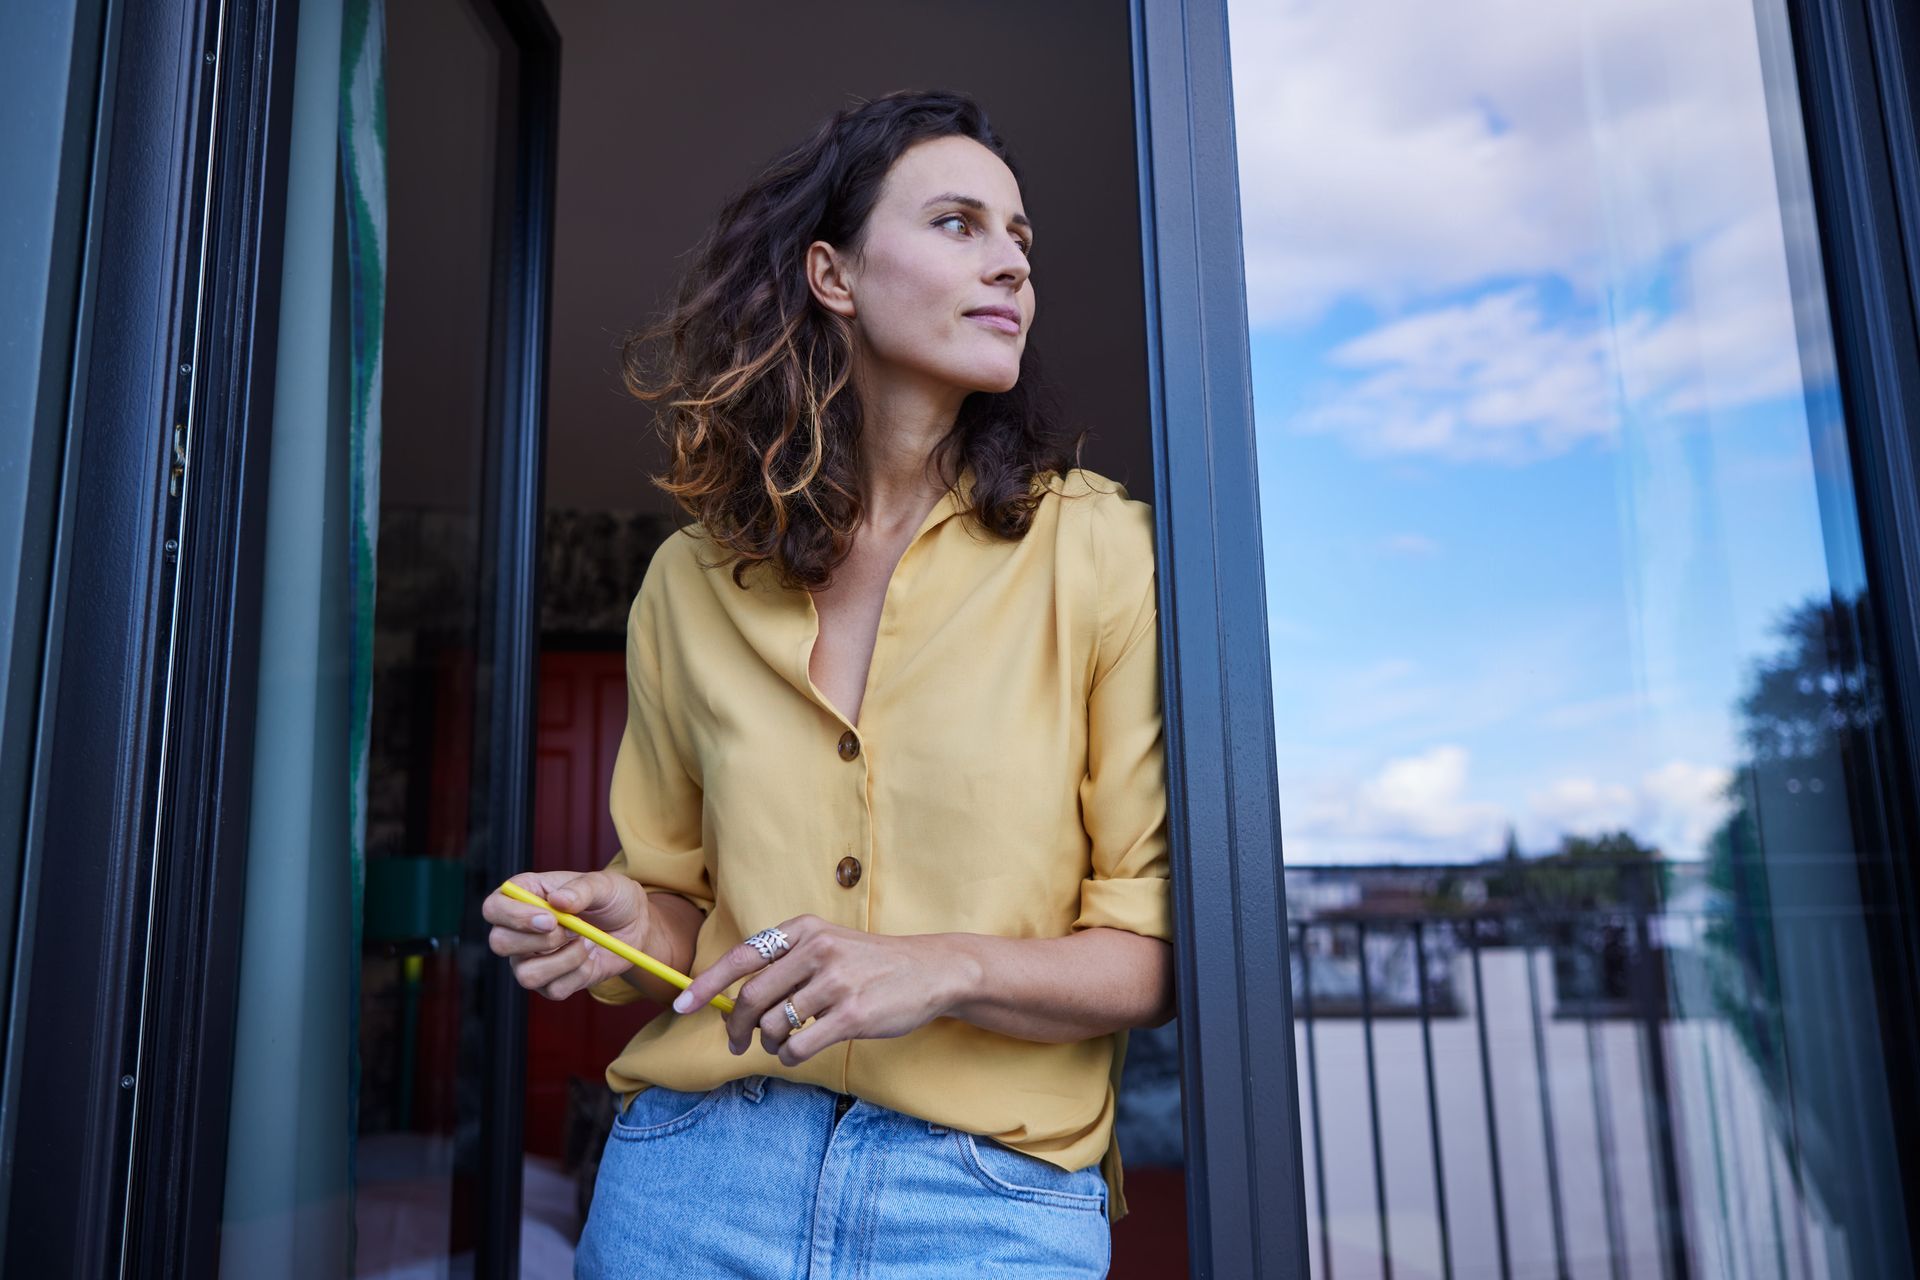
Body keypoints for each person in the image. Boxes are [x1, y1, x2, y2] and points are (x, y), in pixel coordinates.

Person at [483, 87, 1174, 1279]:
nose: (1011, 262)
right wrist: (622, 922)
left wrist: (937, 964)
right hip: (690, 1179)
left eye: (1021, 238)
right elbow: (685, 905)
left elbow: (1154, 952)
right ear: (833, 274)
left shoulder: (1105, 554)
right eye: (959, 223)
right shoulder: (686, 583)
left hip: (986, 1204)